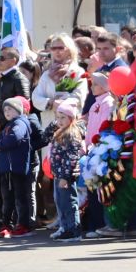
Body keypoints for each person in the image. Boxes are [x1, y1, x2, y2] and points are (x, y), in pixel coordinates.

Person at [0, 97, 35, 238]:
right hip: (7, 169)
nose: (7, 111)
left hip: (16, 169)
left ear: (18, 110)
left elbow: (14, 137)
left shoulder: (20, 123)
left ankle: (23, 225)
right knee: (7, 198)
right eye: (5, 109)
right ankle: (7, 225)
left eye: (10, 108)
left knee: (20, 198)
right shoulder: (9, 125)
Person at [46, 102, 86, 242]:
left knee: (69, 202)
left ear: (71, 118)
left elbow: (71, 157)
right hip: (59, 174)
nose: (59, 121)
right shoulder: (60, 131)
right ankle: (64, 227)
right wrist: (53, 125)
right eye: (58, 117)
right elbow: (45, 136)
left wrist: (65, 176)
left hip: (66, 176)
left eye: (63, 117)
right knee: (60, 202)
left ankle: (73, 230)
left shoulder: (72, 133)